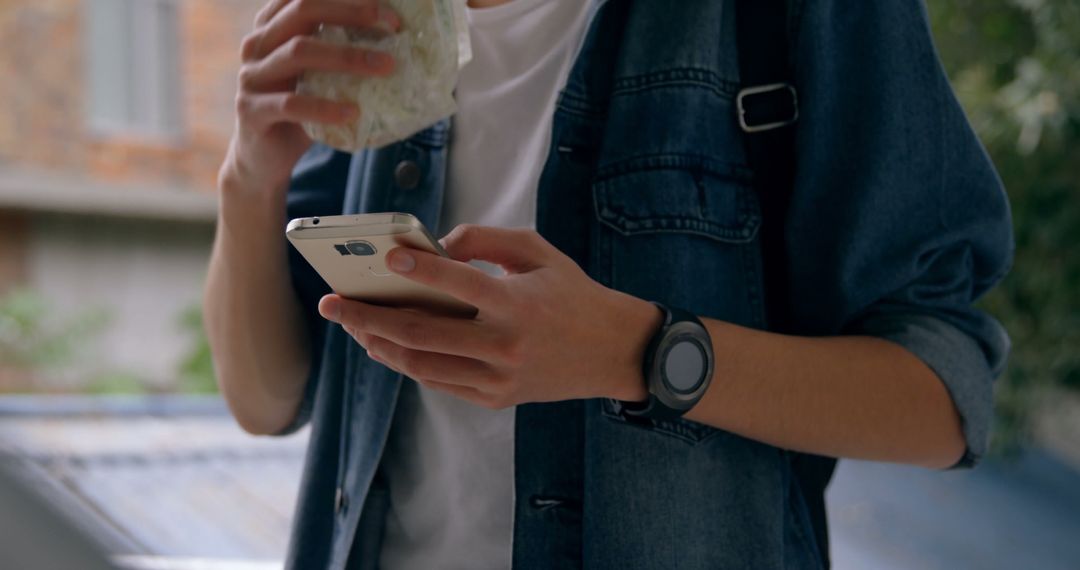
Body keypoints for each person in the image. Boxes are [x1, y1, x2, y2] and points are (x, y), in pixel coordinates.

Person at [204, 0, 1013, 568]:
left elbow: (943, 399)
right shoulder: (370, 24)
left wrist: (639, 353)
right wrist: (248, 177)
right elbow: (270, 399)